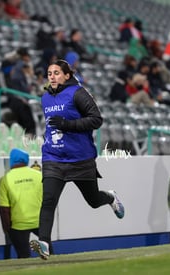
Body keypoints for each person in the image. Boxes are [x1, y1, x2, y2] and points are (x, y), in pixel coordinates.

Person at [29, 60, 125, 260]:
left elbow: (96, 119)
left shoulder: (78, 93)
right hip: (53, 157)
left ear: (66, 75)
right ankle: (44, 243)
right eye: (49, 73)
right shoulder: (45, 97)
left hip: (80, 159)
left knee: (93, 200)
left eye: (56, 72)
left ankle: (110, 197)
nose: (52, 76)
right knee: (48, 200)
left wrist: (67, 124)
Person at [0, 148, 43, 258]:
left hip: (18, 225)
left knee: (24, 257)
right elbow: (48, 199)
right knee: (48, 254)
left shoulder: (5, 179)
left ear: (11, 161)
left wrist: (7, 229)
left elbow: (4, 208)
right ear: (26, 160)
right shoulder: (39, 175)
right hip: (40, 221)